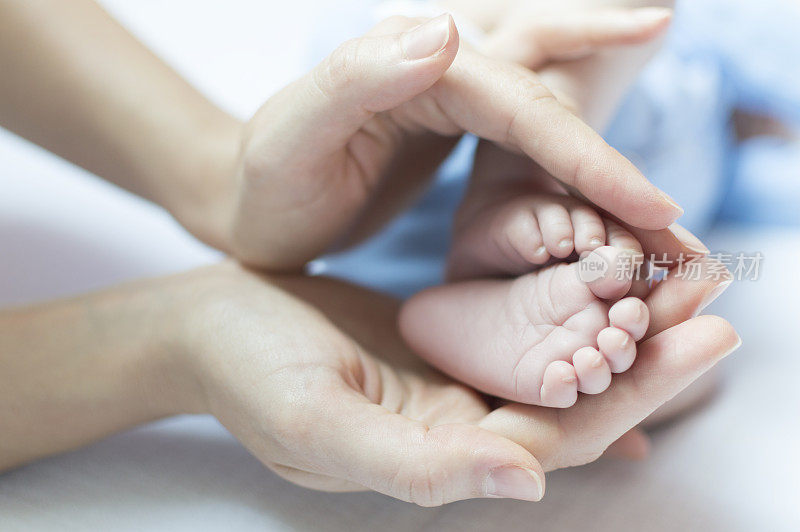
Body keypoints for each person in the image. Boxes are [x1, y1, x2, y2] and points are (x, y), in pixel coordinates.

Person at [0, 0, 739, 505]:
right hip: (469, 110)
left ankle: (504, 220)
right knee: (597, 59)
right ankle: (518, 178)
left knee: (564, 63)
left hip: (401, 133)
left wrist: (220, 175)